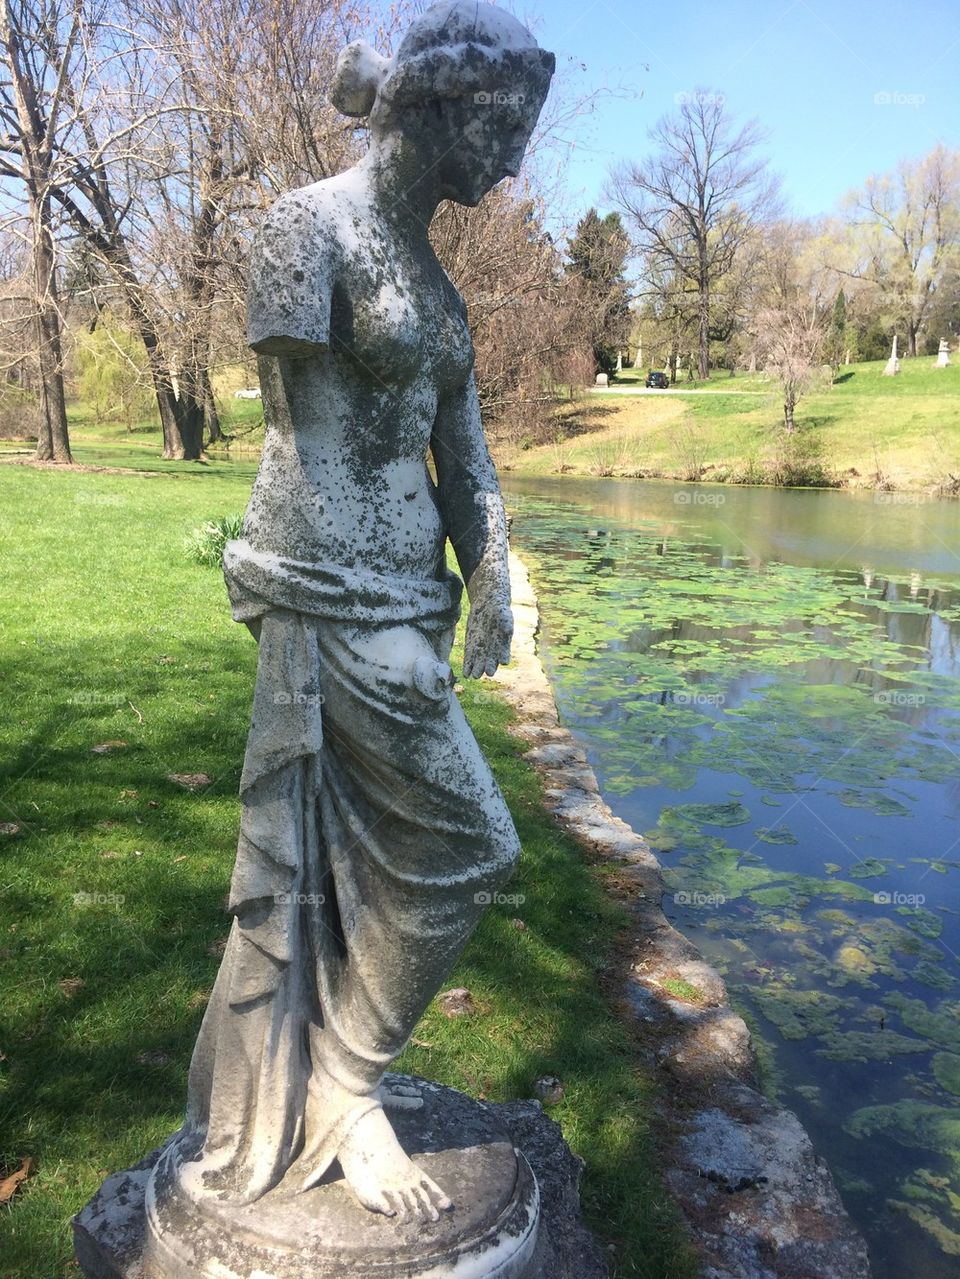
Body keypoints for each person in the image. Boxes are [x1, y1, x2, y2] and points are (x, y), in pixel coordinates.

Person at [167, 1, 555, 1228]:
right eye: (504, 126)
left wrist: (498, 569)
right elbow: (302, 445)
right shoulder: (303, 229)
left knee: (413, 858)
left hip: (402, 602)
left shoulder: (440, 290)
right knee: (470, 843)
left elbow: (465, 450)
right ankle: (340, 1087)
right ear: (440, 106)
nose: (513, 158)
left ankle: (340, 1083)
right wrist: (382, 618)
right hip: (332, 595)